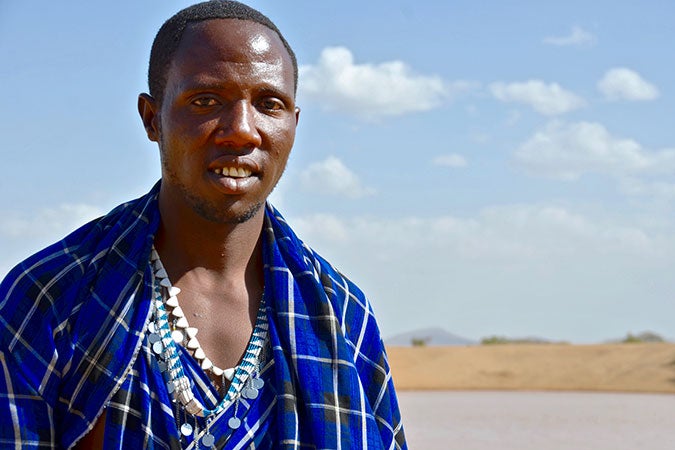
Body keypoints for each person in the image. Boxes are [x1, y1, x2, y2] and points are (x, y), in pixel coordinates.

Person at [0, 1, 406, 449]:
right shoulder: (55, 297)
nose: (242, 131)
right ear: (152, 119)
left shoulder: (342, 314)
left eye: (269, 104)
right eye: (206, 100)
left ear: (293, 124)